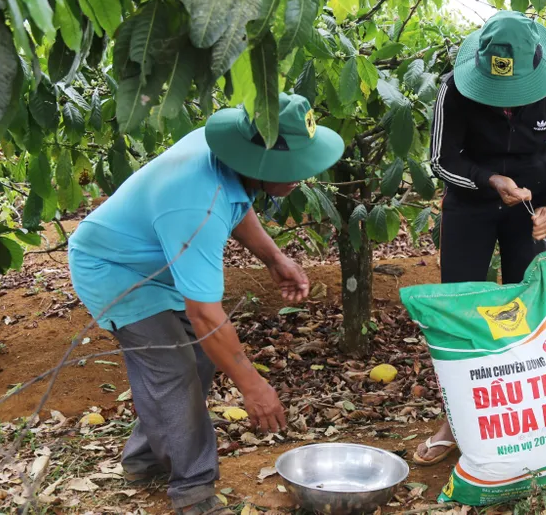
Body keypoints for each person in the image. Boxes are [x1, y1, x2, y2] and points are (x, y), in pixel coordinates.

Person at [68, 94, 343, 515]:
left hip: (159, 257)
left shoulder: (230, 158)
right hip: (114, 269)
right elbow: (205, 314)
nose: (300, 179)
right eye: (292, 169)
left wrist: (275, 257)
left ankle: (142, 460)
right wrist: (253, 386)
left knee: (200, 360)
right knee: (173, 369)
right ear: (258, 162)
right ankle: (194, 493)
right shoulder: (196, 203)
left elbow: (236, 203)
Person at [414, 11, 546, 465]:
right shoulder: (455, 88)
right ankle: (454, 420)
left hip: (529, 212)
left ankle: (527, 418)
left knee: (527, 305)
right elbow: (440, 159)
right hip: (470, 206)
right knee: (461, 306)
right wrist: (489, 180)